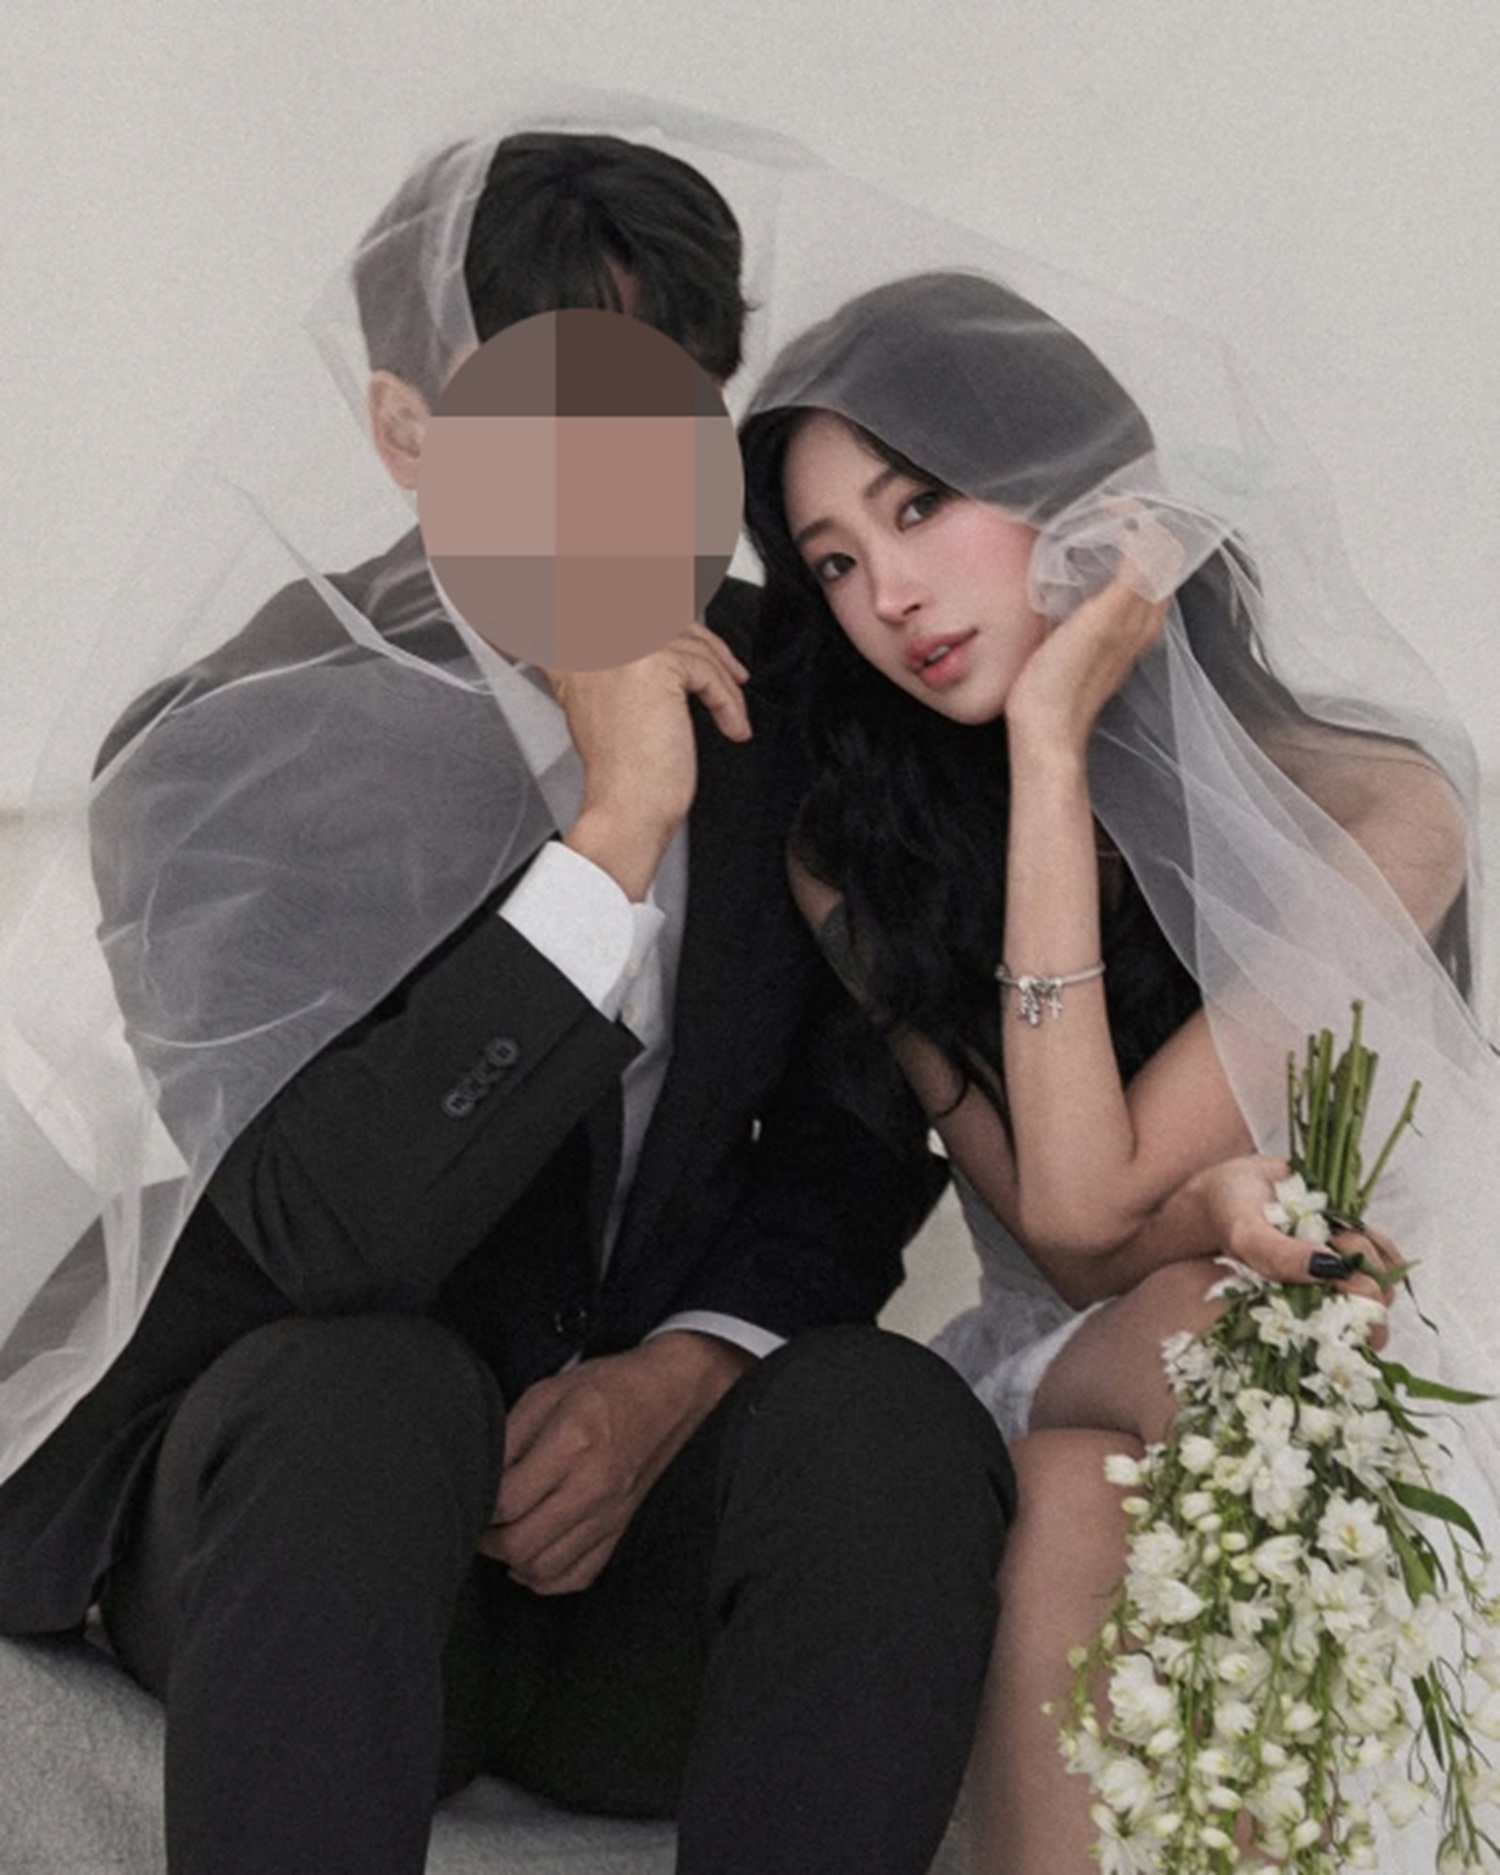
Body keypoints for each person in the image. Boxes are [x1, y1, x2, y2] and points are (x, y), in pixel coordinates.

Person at [0, 130, 1015, 1875]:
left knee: (894, 1420)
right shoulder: (229, 736)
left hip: (625, 1582)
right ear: (409, 435)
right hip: (298, 1531)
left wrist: (677, 1379)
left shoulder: (800, 692)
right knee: (367, 1391)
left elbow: (854, 1143)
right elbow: (316, 1229)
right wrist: (616, 829)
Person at [740, 268, 1500, 1871]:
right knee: (1202, 1347)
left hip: (1366, 1348)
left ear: (1077, 488)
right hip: (1105, 1337)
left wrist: (1216, 1217)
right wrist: (1047, 755)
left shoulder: (1380, 806)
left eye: (920, 506)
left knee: (1092, 1480)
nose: (888, 595)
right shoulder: (858, 863)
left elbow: (1118, 1216)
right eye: (835, 563)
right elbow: (1076, 1229)